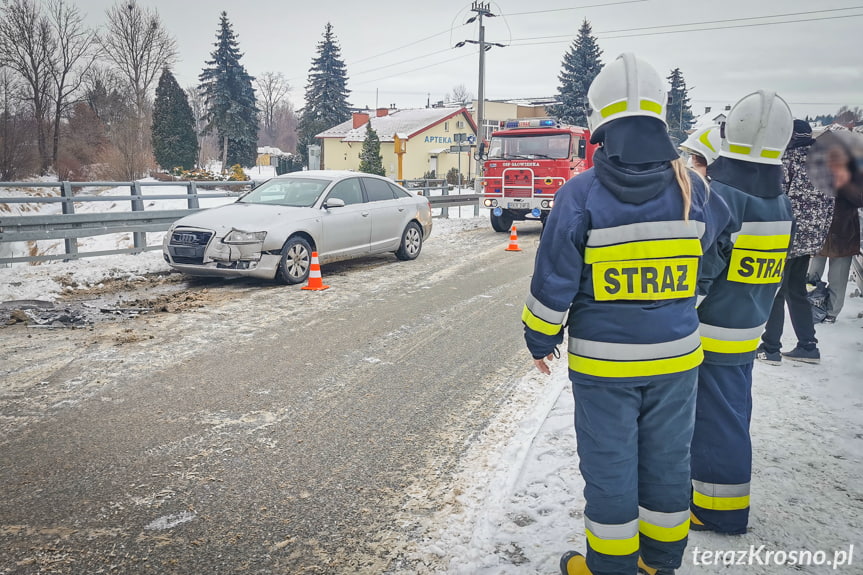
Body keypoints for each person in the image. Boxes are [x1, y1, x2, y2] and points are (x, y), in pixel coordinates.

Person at [522, 53, 730, 575]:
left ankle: (610, 566)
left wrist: (539, 338)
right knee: (666, 464)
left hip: (604, 369)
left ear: (599, 123)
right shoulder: (695, 189)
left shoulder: (580, 194)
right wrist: (691, 296)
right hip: (677, 362)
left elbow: (554, 281)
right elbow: (721, 247)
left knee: (611, 469)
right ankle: (659, 563)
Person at [690, 90, 795, 535]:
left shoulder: (723, 197)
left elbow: (702, 270)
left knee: (714, 421)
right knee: (732, 412)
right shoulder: (781, 202)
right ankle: (716, 497)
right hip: (748, 323)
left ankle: (719, 510)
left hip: (712, 326)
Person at [756, 120, 834, 364]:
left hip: (786, 236)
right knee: (796, 290)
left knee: (776, 291)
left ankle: (770, 348)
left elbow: (775, 199)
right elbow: (832, 204)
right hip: (811, 239)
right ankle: (808, 346)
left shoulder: (786, 161)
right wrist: (819, 235)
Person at [806, 127, 863, 322]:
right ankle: (809, 308)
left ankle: (830, 313)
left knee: (838, 278)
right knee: (811, 275)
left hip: (843, 233)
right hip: (818, 231)